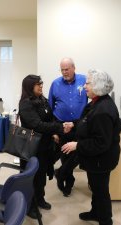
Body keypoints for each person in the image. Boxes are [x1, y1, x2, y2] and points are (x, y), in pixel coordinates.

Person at [62, 69, 121, 225]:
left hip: (101, 159)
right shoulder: (97, 103)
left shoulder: (103, 110)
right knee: (95, 188)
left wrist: (77, 145)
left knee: (101, 191)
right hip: (96, 159)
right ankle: (96, 213)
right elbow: (87, 122)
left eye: (88, 83)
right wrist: (74, 124)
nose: (85, 86)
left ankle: (106, 220)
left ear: (98, 86)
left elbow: (101, 142)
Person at [18, 74, 73, 218]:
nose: (41, 86)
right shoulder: (25, 103)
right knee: (32, 177)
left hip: (44, 145)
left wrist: (56, 131)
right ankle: (30, 206)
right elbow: (37, 125)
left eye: (41, 83)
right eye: (38, 84)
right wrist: (59, 128)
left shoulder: (42, 100)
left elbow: (50, 118)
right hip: (32, 147)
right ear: (30, 87)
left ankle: (40, 199)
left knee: (41, 175)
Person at [48, 57, 88, 197]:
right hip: (62, 126)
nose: (64, 72)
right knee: (66, 156)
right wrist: (54, 130)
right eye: (62, 70)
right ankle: (67, 184)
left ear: (74, 68)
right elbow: (50, 107)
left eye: (67, 69)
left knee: (78, 155)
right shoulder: (55, 84)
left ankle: (60, 173)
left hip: (79, 126)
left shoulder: (84, 81)